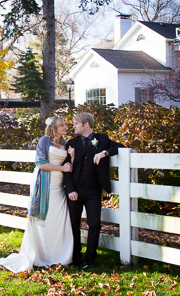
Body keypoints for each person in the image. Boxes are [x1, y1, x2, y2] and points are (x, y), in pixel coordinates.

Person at [0, 116, 74, 272]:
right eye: (62, 125)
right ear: (54, 128)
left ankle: (58, 255)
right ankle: (40, 255)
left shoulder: (66, 144)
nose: (66, 127)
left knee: (58, 219)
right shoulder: (44, 141)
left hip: (59, 186)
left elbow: (71, 164)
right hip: (44, 184)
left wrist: (72, 156)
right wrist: (63, 169)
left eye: (65, 124)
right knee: (42, 219)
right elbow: (40, 163)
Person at [63, 112, 125, 268]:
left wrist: (104, 153)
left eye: (76, 123)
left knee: (95, 223)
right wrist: (70, 190)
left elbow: (120, 147)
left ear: (86, 125)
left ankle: (91, 258)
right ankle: (76, 257)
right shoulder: (72, 142)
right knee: (73, 224)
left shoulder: (102, 139)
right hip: (75, 190)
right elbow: (66, 168)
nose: (73, 126)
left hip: (94, 191)